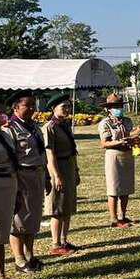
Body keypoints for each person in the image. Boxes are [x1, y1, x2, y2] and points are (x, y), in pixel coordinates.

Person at [8, 91, 47, 273]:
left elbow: (41, 153)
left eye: (33, 105)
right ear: (16, 107)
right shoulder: (10, 128)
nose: (32, 108)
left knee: (33, 217)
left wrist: (47, 177)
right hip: (21, 176)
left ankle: (30, 254)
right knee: (18, 220)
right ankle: (19, 259)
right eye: (27, 105)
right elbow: (9, 158)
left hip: (37, 175)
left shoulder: (34, 126)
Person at [43, 93, 80, 255]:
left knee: (68, 207)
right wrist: (56, 176)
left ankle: (64, 241)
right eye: (63, 106)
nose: (67, 109)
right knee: (58, 208)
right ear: (53, 108)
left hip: (68, 166)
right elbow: (49, 154)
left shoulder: (64, 125)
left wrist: (76, 170)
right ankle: (56, 244)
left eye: (68, 106)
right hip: (58, 168)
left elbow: (72, 150)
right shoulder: (49, 127)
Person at [98, 93, 137, 227]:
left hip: (127, 155)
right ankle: (114, 219)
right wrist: (120, 141)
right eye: (115, 106)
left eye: (120, 106)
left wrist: (138, 139)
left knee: (126, 188)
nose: (119, 109)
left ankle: (123, 216)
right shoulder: (105, 123)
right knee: (114, 189)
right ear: (109, 109)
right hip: (114, 156)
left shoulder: (127, 121)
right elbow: (104, 143)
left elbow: (132, 135)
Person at [0, 101, 20, 279]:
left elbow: (13, 162)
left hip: (7, 186)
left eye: (4, 112)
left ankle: (0, 275)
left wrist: (17, 192)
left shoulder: (4, 135)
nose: (3, 116)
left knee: (0, 234)